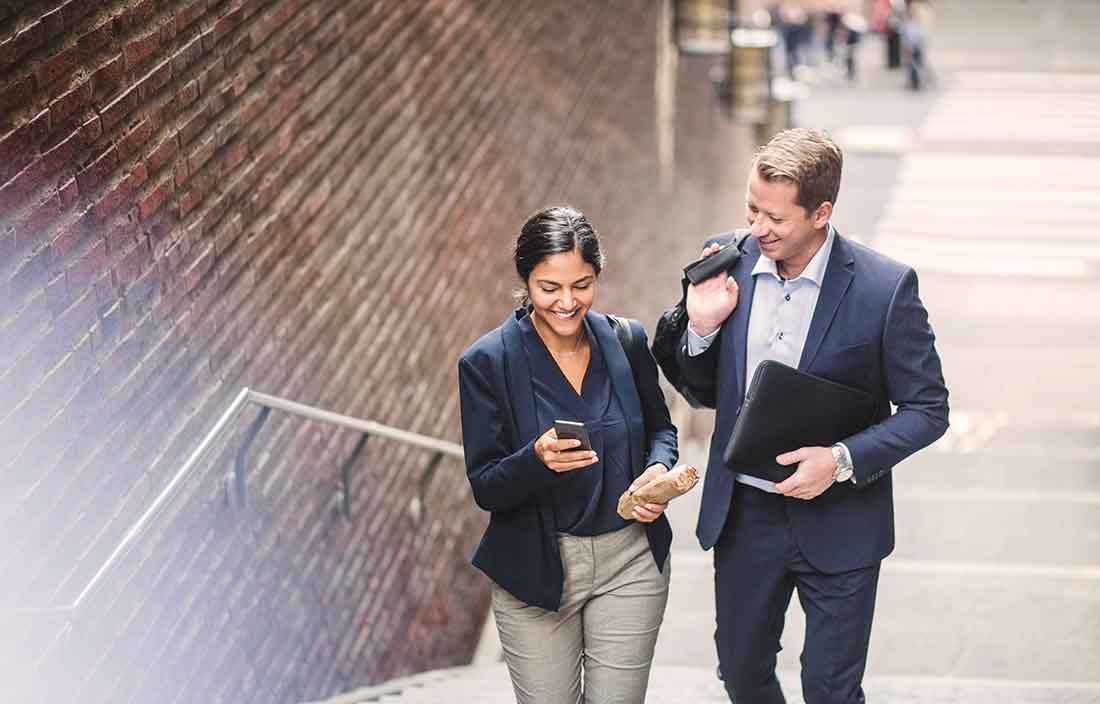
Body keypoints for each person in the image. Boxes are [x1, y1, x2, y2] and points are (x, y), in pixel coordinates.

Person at [674, 128, 949, 704]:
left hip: (843, 521)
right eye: (751, 208)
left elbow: (928, 409)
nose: (756, 229)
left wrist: (842, 460)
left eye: (775, 218)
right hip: (745, 515)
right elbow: (699, 392)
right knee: (742, 673)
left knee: (830, 689)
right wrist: (699, 329)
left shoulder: (885, 289)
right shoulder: (725, 261)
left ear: (822, 212)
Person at [458, 205, 680, 704]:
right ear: (526, 281)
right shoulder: (487, 363)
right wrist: (535, 462)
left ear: (597, 275)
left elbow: (661, 429)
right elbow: (486, 486)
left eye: (581, 284)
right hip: (537, 568)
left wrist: (657, 470)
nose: (566, 302)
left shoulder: (626, 340)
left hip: (631, 561)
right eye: (549, 287)